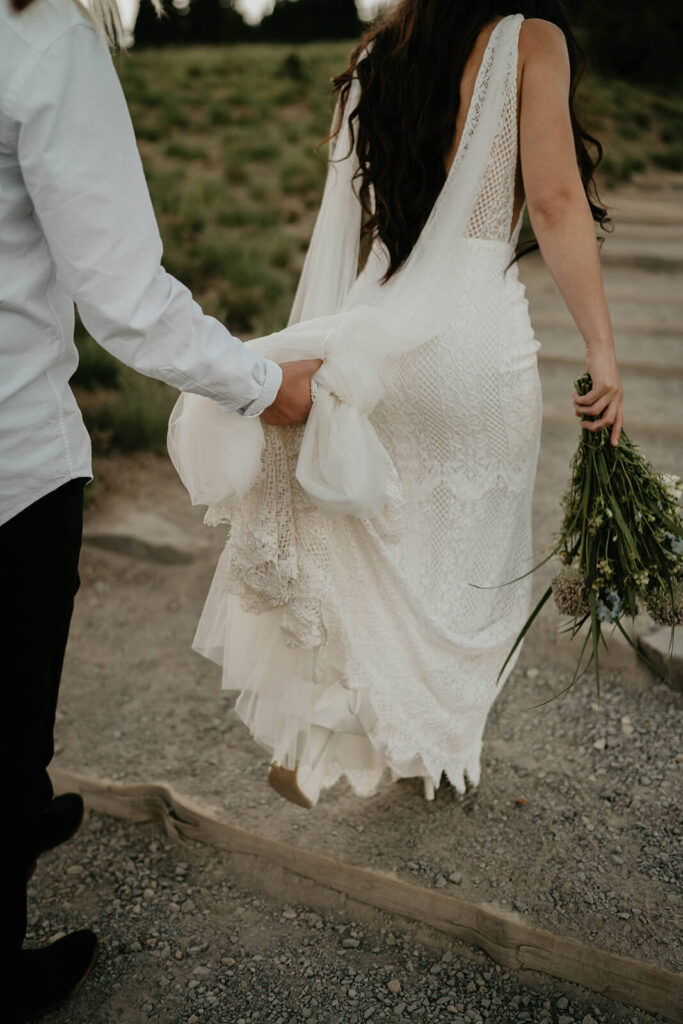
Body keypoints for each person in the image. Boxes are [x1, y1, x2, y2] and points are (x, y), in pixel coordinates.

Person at [178, 0, 624, 810]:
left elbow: (348, 227)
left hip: (384, 333)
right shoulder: (531, 42)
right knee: (469, 555)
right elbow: (554, 203)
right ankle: (426, 744)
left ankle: (334, 719)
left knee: (387, 535)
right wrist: (600, 349)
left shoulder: (382, 54)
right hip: (474, 341)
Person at [0, 0, 319, 1019]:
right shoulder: (44, 38)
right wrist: (266, 385)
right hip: (9, 464)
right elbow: (127, 297)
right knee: (6, 714)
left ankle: (18, 812)